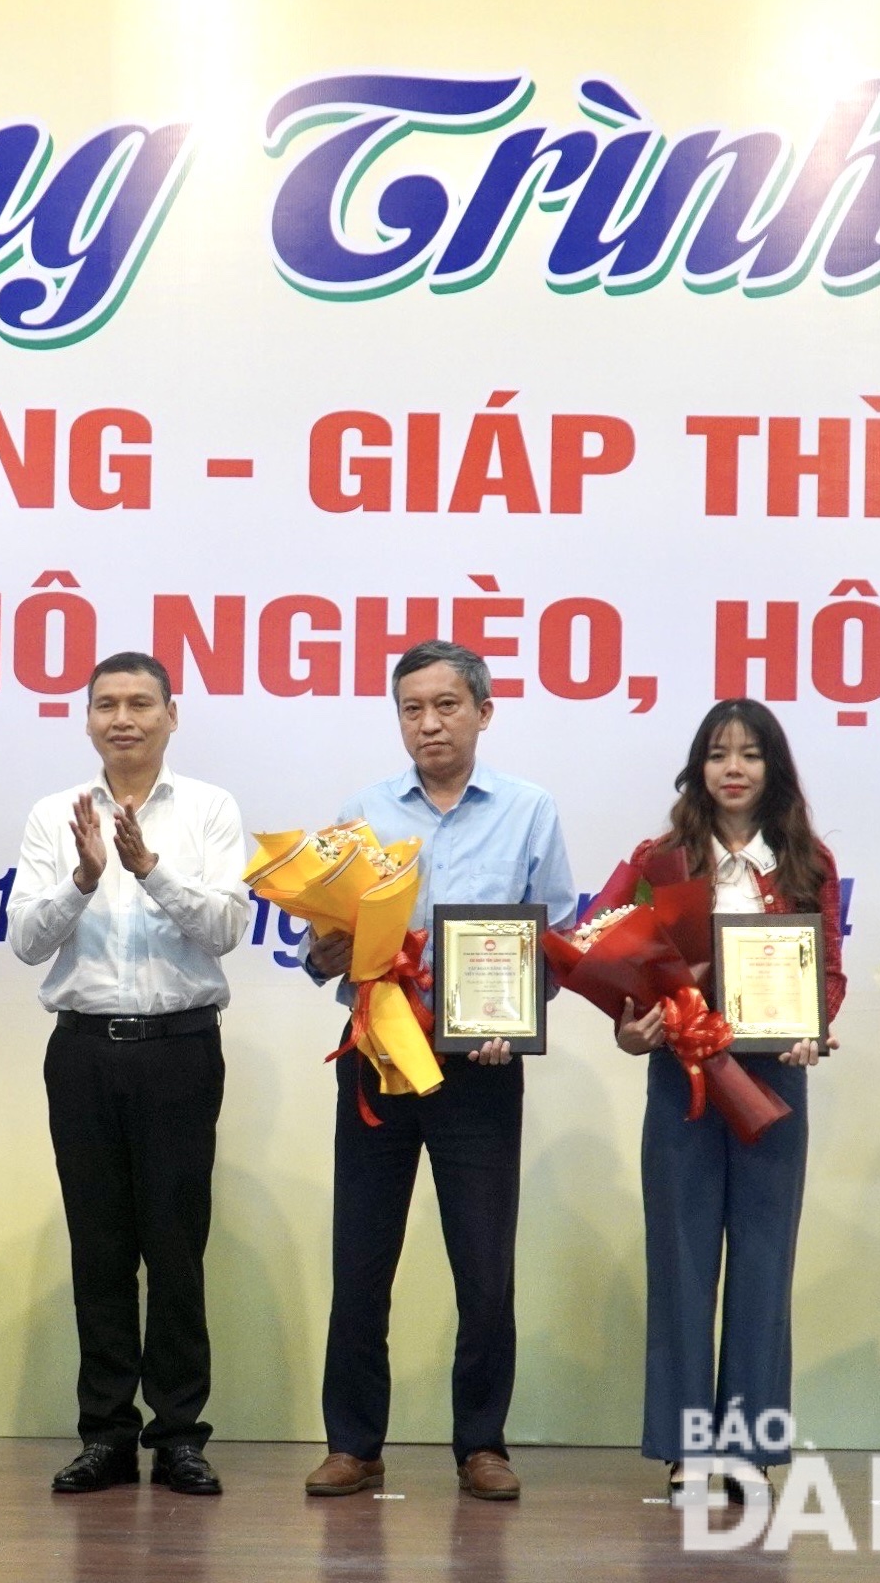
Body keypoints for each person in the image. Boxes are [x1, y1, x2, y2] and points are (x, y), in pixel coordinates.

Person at [300, 639, 574, 1502]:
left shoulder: (529, 809)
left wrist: (511, 1021)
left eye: (446, 705)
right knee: (360, 1260)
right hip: (377, 1060)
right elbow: (319, 953)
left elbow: (559, 941)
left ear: (483, 713)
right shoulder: (362, 810)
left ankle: (481, 1444)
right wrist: (327, 943)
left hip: (480, 1069)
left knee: (483, 1266)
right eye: (412, 708)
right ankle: (353, 1443)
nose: (429, 723)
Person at [11, 651, 248, 1498]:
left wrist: (148, 868)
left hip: (181, 1048)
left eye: (140, 704)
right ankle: (106, 1434)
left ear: (171, 715)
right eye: (105, 704)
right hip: (80, 1050)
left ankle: (179, 1434)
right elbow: (27, 942)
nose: (123, 719)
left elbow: (225, 927)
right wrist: (82, 878)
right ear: (85, 719)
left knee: (176, 1247)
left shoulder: (210, 810)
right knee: (99, 1248)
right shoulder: (54, 814)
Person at [608, 700, 845, 1503]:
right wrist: (630, 1024)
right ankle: (686, 1448)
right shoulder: (662, 858)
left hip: (775, 1078)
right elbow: (601, 940)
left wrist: (814, 1028)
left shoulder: (808, 860)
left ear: (773, 768)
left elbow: (831, 970)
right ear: (697, 768)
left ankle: (745, 1446)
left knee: (761, 1259)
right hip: (682, 1076)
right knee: (679, 1259)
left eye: (749, 753)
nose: (733, 767)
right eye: (717, 753)